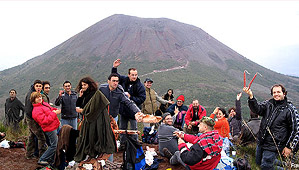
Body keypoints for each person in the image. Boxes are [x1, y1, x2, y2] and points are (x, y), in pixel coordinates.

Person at [243, 84, 299, 170]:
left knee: (266, 166)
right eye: (274, 92)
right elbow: (257, 109)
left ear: (284, 93)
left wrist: (289, 147)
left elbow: (296, 130)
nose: (276, 94)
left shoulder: (290, 109)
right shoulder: (268, 103)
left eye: (278, 92)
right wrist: (251, 96)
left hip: (275, 144)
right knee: (258, 162)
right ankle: (288, 164)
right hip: (262, 141)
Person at [99, 73, 143, 162]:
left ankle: (109, 162)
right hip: (101, 118)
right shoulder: (102, 89)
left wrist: (137, 112)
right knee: (100, 138)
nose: (115, 83)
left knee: (111, 140)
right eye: (113, 81)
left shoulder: (119, 92)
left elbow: (129, 102)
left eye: (117, 81)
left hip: (113, 118)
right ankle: (99, 160)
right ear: (108, 81)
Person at [111, 59, 146, 143]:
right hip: (123, 110)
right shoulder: (124, 80)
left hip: (134, 111)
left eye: (136, 75)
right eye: (132, 75)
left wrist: (131, 97)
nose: (134, 76)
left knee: (134, 129)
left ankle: (134, 144)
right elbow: (115, 77)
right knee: (122, 128)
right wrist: (114, 68)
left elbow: (142, 98)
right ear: (129, 75)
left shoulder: (140, 86)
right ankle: (123, 143)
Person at [31, 92, 61, 166]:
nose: (40, 98)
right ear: (33, 100)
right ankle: (42, 159)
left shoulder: (43, 104)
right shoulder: (36, 110)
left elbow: (50, 110)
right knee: (54, 145)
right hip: (50, 129)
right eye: (37, 97)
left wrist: (55, 110)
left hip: (55, 125)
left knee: (55, 144)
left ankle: (51, 159)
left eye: (40, 96)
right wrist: (55, 113)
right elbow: (44, 121)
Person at [24, 80, 47, 159]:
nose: (38, 88)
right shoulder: (32, 95)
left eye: (40, 86)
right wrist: (36, 119)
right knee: (41, 137)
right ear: (34, 86)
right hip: (32, 118)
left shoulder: (35, 93)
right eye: (37, 86)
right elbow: (29, 109)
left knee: (32, 135)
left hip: (32, 117)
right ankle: (42, 157)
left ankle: (29, 154)